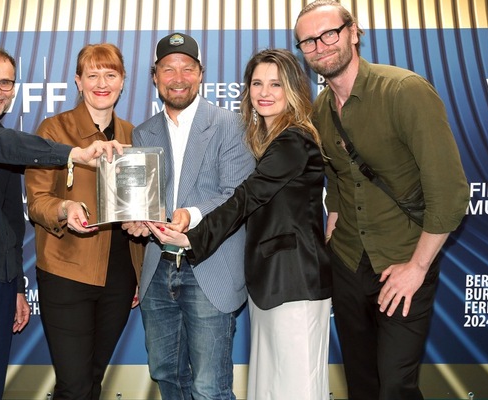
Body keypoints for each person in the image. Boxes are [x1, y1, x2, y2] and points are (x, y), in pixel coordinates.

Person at [0, 46, 124, 400]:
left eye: (5, 83)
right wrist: (72, 153)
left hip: (2, 282)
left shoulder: (9, 142)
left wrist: (16, 285)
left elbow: (12, 222)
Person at [294, 2, 470, 399]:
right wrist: (332, 228)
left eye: (329, 33)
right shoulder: (321, 109)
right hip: (348, 263)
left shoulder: (405, 91)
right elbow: (338, 178)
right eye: (308, 41)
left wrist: (417, 267)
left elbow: (450, 191)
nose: (320, 46)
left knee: (395, 387)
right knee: (362, 384)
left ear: (353, 32)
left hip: (403, 261)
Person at [148, 48, 333, 400]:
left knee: (297, 388)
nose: (264, 92)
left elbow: (245, 197)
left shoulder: (293, 140)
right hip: (270, 281)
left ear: (293, 89)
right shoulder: (268, 140)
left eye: (276, 84)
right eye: (257, 83)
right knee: (272, 388)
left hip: (294, 281)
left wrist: (193, 238)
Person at [123, 32, 255, 399]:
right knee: (167, 375)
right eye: (168, 69)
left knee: (209, 387)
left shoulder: (232, 124)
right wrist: (137, 220)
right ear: (155, 77)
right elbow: (144, 200)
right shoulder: (143, 133)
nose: (178, 78)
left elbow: (235, 194)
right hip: (158, 269)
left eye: (187, 68)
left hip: (209, 265)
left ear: (200, 74)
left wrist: (190, 214)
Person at [23, 43, 145, 400]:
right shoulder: (53, 130)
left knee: (92, 379)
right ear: (78, 82)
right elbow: (37, 201)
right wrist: (65, 208)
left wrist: (140, 270)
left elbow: (141, 207)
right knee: (74, 386)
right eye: (92, 75)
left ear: (123, 81)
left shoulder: (135, 135)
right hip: (67, 271)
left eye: (110, 74)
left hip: (120, 276)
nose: (102, 83)